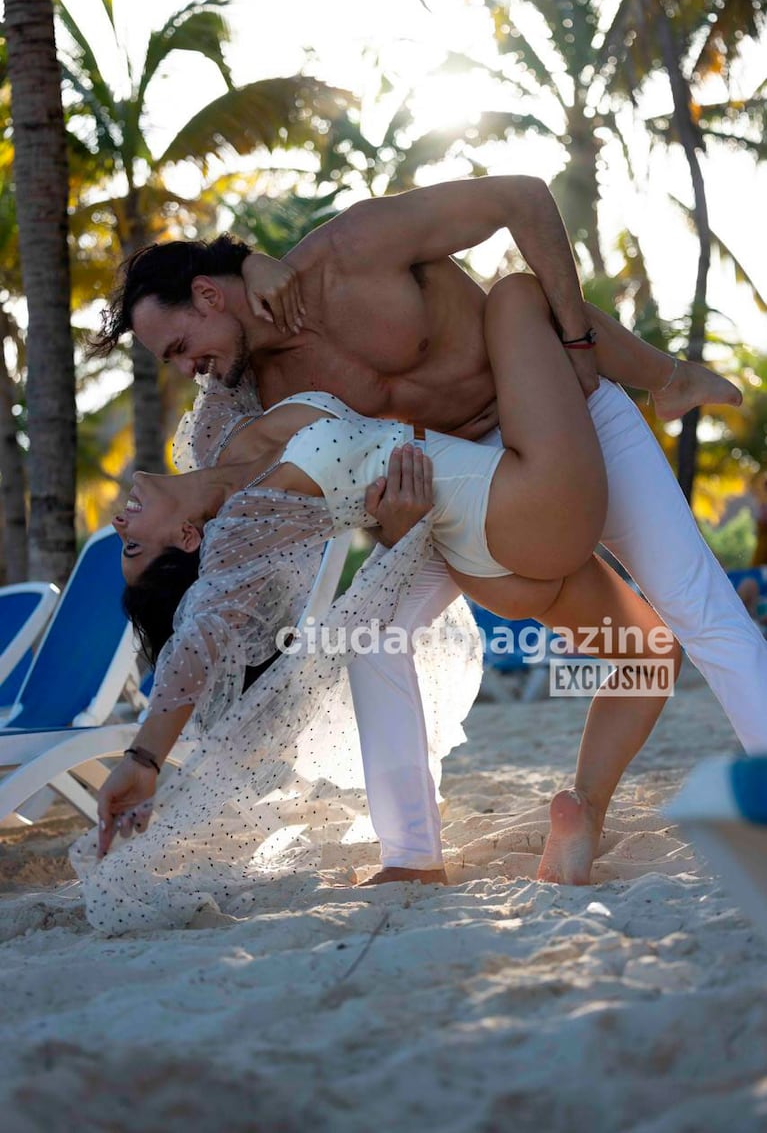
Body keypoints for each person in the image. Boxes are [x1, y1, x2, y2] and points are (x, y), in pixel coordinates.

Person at [91, 174, 767, 890]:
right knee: (371, 639)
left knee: (679, 621)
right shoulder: (243, 404)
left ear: (206, 295)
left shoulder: (351, 249)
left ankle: (591, 805)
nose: (184, 369)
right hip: (459, 494)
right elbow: (227, 579)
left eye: (176, 346)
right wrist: (390, 529)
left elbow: (524, 199)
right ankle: (410, 856)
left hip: (563, 412)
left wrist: (573, 341)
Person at [79, 291, 684, 932]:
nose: (118, 520)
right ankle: (674, 379)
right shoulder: (242, 529)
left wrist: (255, 268)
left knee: (650, 656)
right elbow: (200, 639)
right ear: (190, 541)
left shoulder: (216, 434)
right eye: (133, 543)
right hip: (505, 508)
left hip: (470, 538)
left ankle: (521, 825)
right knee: (521, 299)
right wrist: (144, 760)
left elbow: (223, 323)